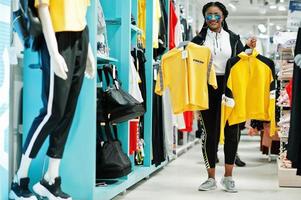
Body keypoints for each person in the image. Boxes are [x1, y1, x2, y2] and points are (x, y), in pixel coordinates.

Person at [9, 0, 95, 199]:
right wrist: (54, 52)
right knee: (52, 112)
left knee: (67, 112)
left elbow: (80, 13)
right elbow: (43, 8)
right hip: (57, 36)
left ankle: (51, 179)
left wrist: (88, 52)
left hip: (81, 37)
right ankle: (19, 179)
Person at [191, 2, 256, 192]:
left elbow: (242, 60)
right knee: (209, 133)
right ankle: (210, 178)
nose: (212, 19)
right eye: (209, 15)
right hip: (207, 89)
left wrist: (249, 48)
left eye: (216, 15)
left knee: (232, 132)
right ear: (205, 18)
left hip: (230, 88)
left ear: (224, 17)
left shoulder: (234, 39)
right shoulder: (197, 41)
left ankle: (228, 177)